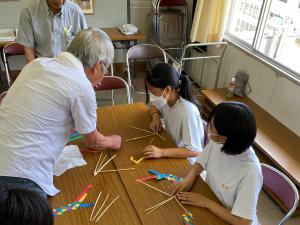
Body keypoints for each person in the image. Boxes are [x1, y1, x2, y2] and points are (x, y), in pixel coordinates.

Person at [0, 28, 121, 198]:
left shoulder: (37, 64)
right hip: (19, 178)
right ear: (97, 66)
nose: (101, 81)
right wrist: (112, 141)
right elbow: (93, 142)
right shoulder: (81, 86)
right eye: (105, 71)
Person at [169, 102, 262, 225]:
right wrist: (189, 178)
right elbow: (201, 162)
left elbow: (244, 222)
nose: (209, 130)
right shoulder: (219, 142)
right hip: (211, 200)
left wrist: (206, 202)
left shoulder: (251, 172)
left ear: (224, 138)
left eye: (212, 126)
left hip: (227, 217)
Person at [142, 63, 204, 164]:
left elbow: (194, 151)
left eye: (153, 91)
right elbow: (154, 107)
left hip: (186, 162)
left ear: (168, 89)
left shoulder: (187, 112)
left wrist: (162, 152)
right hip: (171, 147)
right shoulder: (167, 99)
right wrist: (156, 117)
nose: (151, 96)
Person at [16, 0, 87, 63]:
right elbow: (29, 48)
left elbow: (84, 46)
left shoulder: (76, 12)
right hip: (42, 69)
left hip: (70, 67)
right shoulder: (28, 11)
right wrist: (34, 72)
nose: (60, 1)